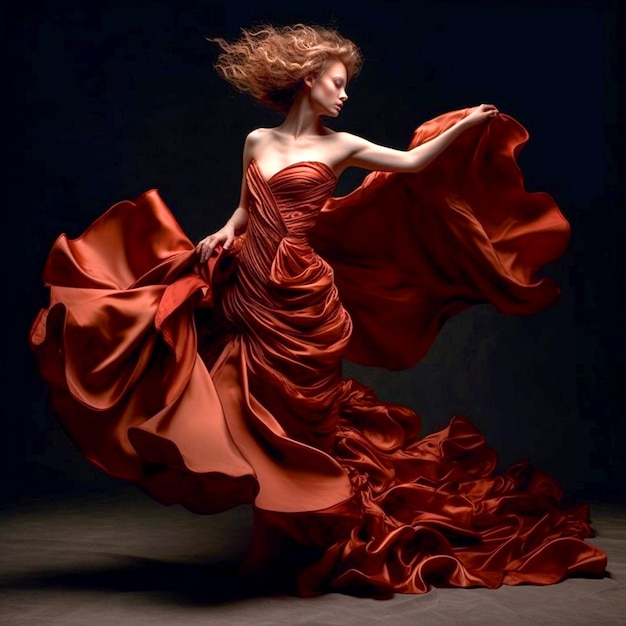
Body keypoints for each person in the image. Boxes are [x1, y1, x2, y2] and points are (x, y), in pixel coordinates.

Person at [30, 23, 607, 598]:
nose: (344, 94)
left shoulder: (342, 145)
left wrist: (468, 125)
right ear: (308, 81)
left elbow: (410, 164)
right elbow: (244, 212)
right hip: (246, 282)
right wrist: (217, 235)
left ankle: (307, 537)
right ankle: (277, 539)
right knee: (238, 403)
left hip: (301, 294)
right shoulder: (257, 140)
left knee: (297, 414)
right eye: (337, 82)